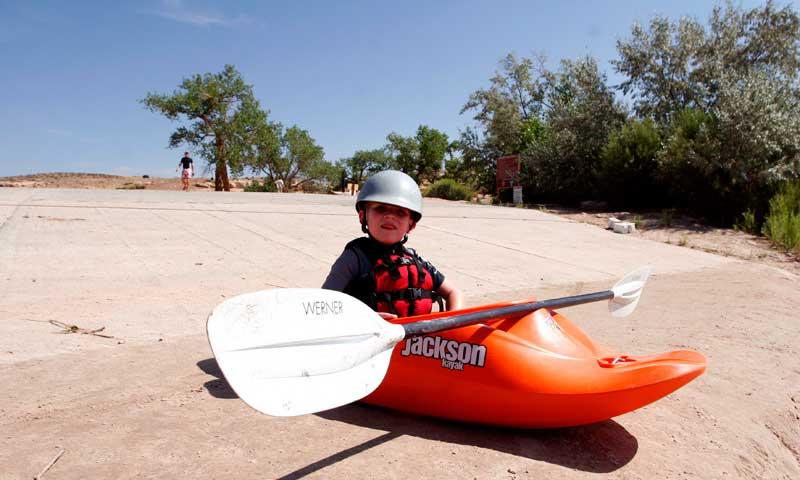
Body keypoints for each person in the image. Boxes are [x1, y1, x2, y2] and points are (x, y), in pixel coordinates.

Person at [322, 170, 462, 319]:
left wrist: (453, 322)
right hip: (370, 338)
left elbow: (454, 292)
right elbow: (321, 306)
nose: (389, 216)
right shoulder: (353, 259)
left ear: (411, 224)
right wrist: (362, 318)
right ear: (363, 216)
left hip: (415, 340)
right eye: (380, 208)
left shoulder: (414, 259)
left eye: (400, 212)